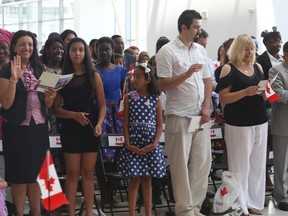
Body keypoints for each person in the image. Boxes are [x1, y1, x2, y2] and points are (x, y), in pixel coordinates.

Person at [156, 9, 212, 216]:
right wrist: (186, 74)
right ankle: (184, 210)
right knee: (180, 165)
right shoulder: (167, 51)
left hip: (199, 115)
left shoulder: (200, 50)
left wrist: (206, 107)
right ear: (184, 27)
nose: (199, 30)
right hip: (179, 115)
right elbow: (163, 84)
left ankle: (196, 206)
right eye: (196, 26)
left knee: (203, 162)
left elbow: (207, 81)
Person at [0, 30, 56, 216]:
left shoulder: (40, 69)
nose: (27, 48)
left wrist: (50, 98)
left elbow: (46, 105)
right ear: (14, 47)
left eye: (30, 44)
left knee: (38, 176)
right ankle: (20, 213)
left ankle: (36, 212)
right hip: (17, 128)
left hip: (38, 127)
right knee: (20, 176)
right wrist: (14, 79)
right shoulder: (6, 69)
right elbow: (7, 103)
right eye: (22, 44)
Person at [53, 37, 106, 216]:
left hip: (90, 129)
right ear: (68, 53)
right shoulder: (63, 78)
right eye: (74, 50)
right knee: (73, 173)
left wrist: (99, 124)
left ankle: (89, 213)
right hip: (70, 129)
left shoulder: (95, 75)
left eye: (81, 50)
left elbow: (103, 105)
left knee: (89, 173)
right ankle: (70, 212)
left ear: (86, 52)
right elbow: (56, 109)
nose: (77, 53)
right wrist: (74, 115)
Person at [217, 34, 268, 216]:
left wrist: (266, 94)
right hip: (238, 123)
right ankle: (240, 204)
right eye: (246, 49)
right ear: (237, 49)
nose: (249, 52)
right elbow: (224, 98)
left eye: (252, 49)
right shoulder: (228, 69)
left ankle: (254, 202)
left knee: (258, 165)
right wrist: (245, 92)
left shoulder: (258, 67)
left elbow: (270, 96)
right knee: (240, 166)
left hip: (260, 121)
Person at [118, 63, 166, 216]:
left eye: (138, 76)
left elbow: (159, 125)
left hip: (150, 144)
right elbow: (125, 124)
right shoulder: (129, 97)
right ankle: (131, 213)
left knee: (147, 181)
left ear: (147, 80)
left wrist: (154, 144)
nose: (135, 79)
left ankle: (148, 213)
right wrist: (128, 144)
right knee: (134, 181)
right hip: (133, 143)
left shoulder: (156, 99)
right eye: (134, 76)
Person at [268, 41, 288, 212]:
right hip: (283, 125)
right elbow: (278, 94)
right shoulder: (275, 70)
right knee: (281, 164)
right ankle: (280, 196)